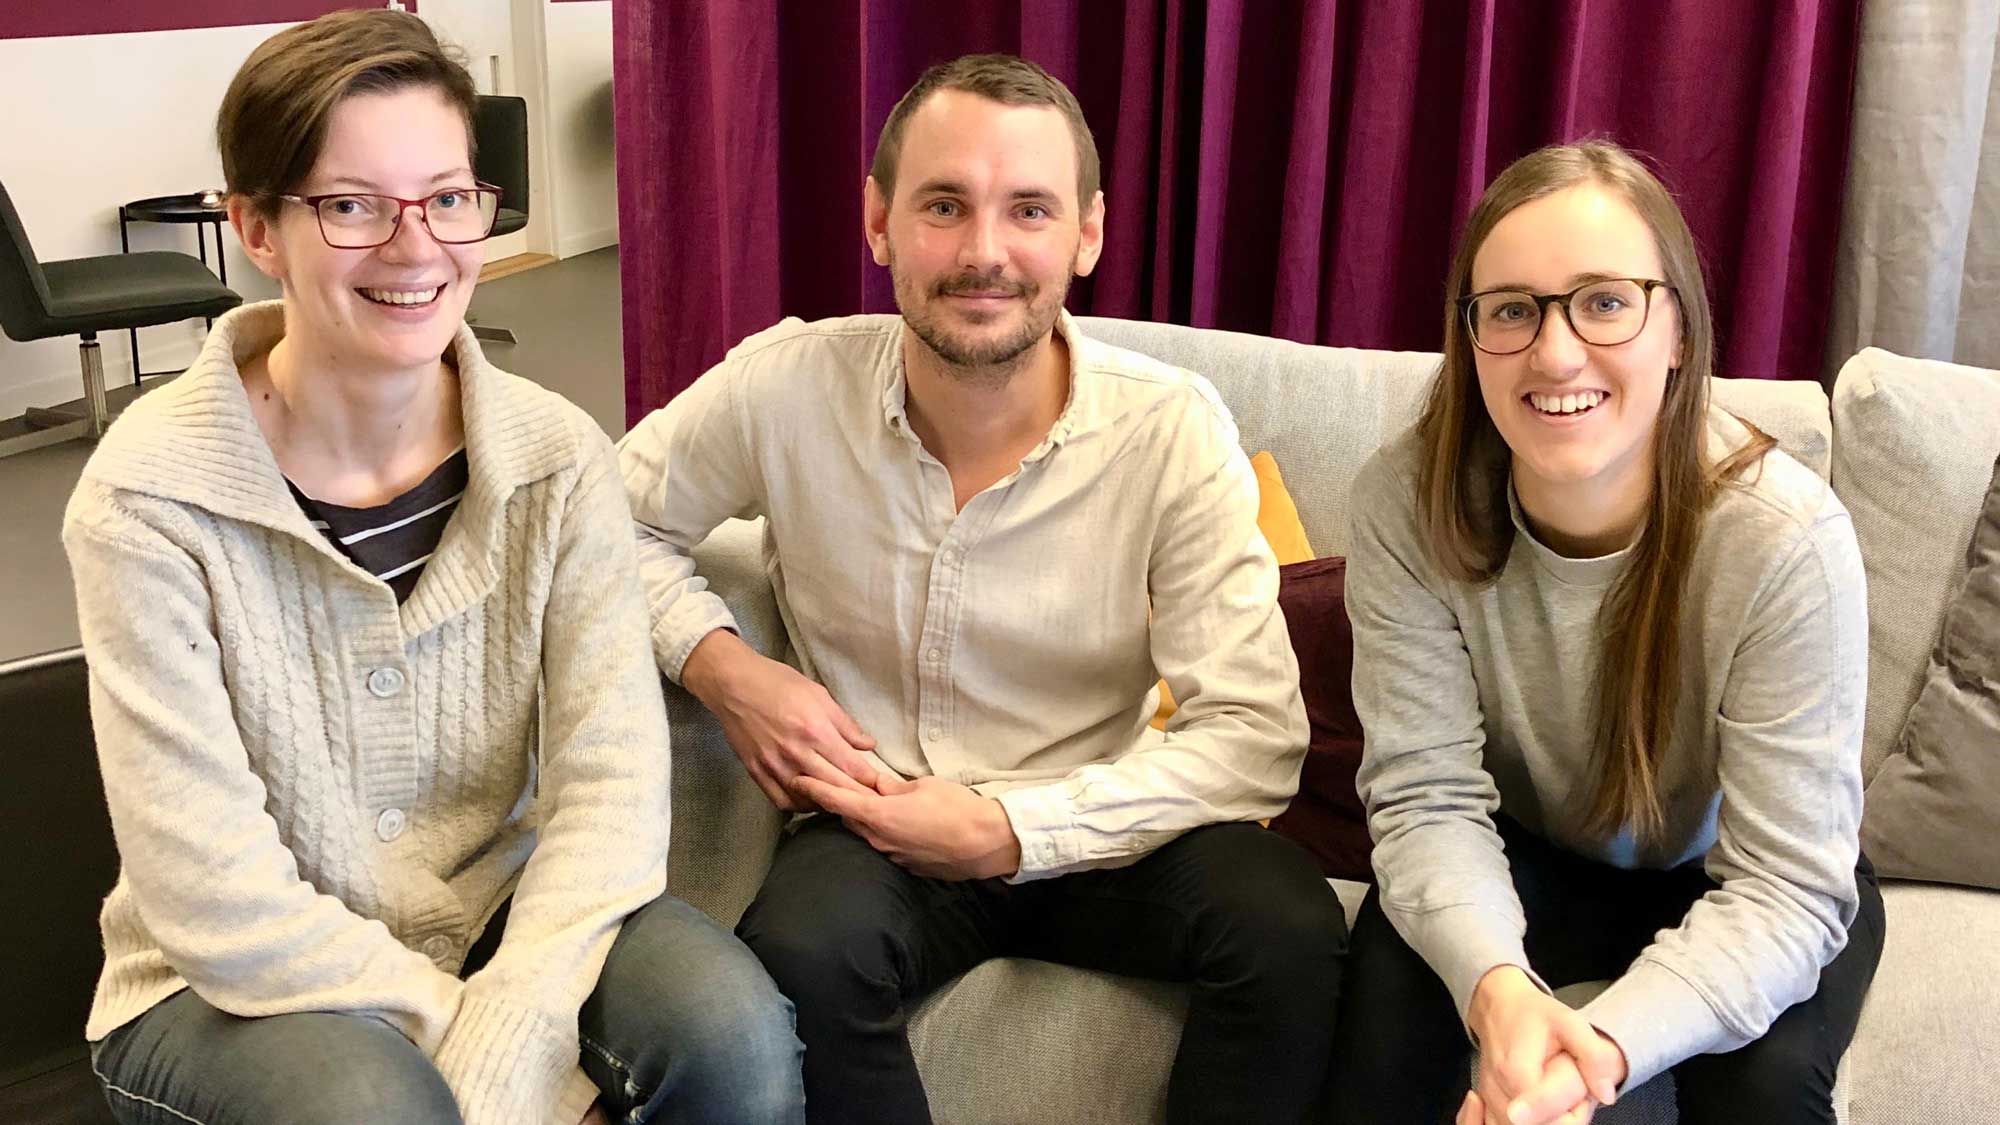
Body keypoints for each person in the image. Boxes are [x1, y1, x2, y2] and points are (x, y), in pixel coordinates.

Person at [65, 11, 801, 1124]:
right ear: (256, 228)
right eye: (352, 205)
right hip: (220, 980)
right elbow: (212, 901)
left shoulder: (555, 460)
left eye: (448, 198)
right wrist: (518, 1064)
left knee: (729, 1036)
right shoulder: (147, 499)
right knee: (379, 1108)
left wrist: (519, 1009)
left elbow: (609, 789)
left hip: (499, 906)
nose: (417, 249)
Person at [617, 52, 1346, 1125]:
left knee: (1286, 924)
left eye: (1029, 210)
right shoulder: (783, 384)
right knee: (796, 953)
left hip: (1099, 824)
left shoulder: (1170, 428)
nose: (983, 253)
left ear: (1086, 234)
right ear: (878, 222)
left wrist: (1009, 830)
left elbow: (1253, 733)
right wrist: (725, 670)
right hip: (875, 828)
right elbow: (593, 524)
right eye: (944, 206)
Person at [1328, 141, 1884, 1125]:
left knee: (1763, 1095)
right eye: (1510, 309)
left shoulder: (1785, 541)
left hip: (1742, 878)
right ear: (1468, 338)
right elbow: (1424, 801)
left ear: (1675, 327)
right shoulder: (1400, 506)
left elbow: (1785, 888)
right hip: (1514, 851)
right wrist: (1498, 992)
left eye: (1603, 300)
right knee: (1380, 1063)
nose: (1553, 353)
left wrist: (1593, 1056)